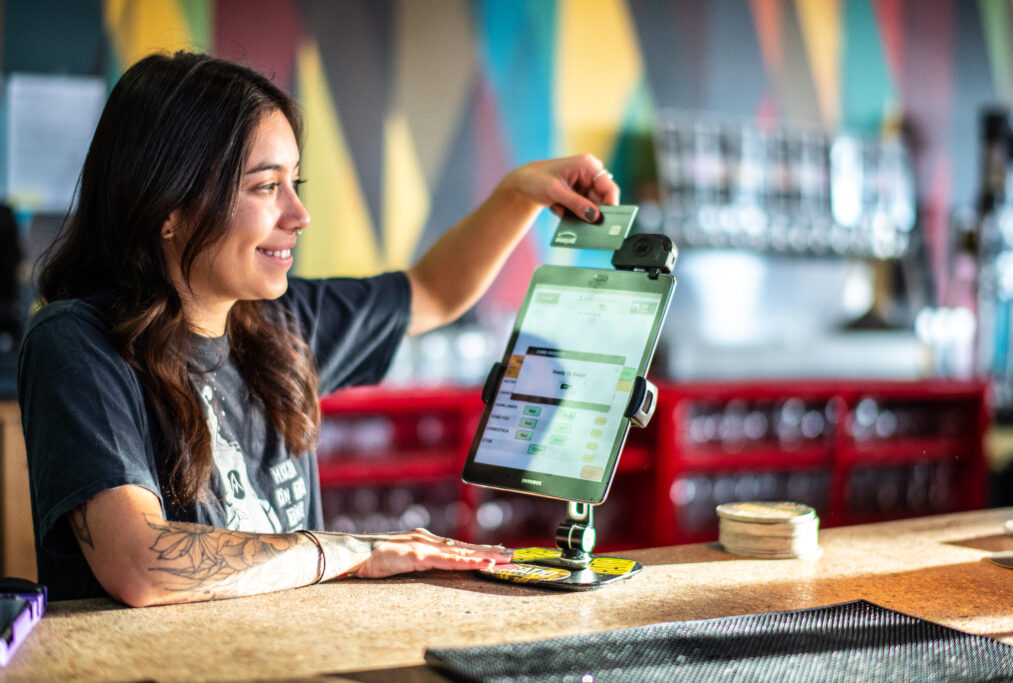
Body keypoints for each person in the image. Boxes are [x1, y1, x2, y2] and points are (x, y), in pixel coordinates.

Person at [17, 51, 620, 607]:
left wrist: (520, 194)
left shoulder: (279, 324)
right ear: (167, 210)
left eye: (294, 184)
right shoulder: (79, 343)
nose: (299, 215)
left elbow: (433, 292)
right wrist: (351, 551)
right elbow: (139, 564)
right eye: (264, 187)